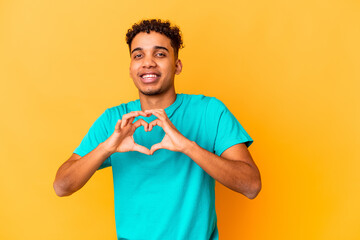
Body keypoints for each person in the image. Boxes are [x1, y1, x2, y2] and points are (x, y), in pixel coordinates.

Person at [53, 19, 261, 240]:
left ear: (177, 65)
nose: (148, 63)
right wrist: (106, 148)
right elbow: (62, 186)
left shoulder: (210, 111)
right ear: (131, 68)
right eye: (138, 55)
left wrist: (187, 146)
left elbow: (251, 186)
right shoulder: (115, 121)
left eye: (160, 54)